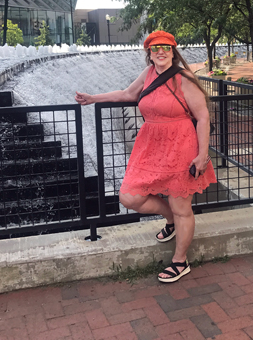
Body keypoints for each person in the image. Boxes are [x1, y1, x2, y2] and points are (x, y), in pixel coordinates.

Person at [75, 30, 217, 283]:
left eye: (165, 47)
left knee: (181, 205)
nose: (160, 51)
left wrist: (202, 155)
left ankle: (180, 261)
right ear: (149, 53)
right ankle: (170, 218)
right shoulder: (149, 74)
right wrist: (93, 99)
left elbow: (203, 117)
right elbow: (128, 95)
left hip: (181, 145)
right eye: (155, 48)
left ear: (173, 51)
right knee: (130, 197)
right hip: (150, 144)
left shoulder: (184, 78)